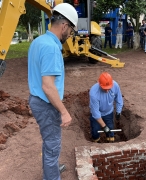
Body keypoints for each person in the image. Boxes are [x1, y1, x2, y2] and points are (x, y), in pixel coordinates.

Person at [28, 3, 78, 180]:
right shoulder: (51, 48)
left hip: (36, 100)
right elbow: (48, 86)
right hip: (46, 104)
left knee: (49, 143)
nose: (69, 34)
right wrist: (64, 112)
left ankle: (52, 169)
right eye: (71, 30)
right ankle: (52, 176)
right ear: (64, 26)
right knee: (53, 145)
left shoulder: (38, 41)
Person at [89, 72, 123, 143]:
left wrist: (118, 111)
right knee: (95, 130)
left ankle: (110, 142)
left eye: (109, 88)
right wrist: (104, 126)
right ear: (100, 84)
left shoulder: (115, 86)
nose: (107, 91)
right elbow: (96, 113)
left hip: (109, 113)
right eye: (105, 88)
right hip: (97, 115)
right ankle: (96, 143)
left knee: (110, 130)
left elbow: (119, 99)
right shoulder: (94, 93)